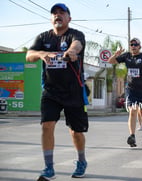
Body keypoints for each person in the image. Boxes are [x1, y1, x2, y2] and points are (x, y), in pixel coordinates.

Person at [26, 3, 88, 180]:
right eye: (54, 13)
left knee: (75, 131)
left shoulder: (75, 34)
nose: (58, 15)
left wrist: (71, 51)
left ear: (69, 18)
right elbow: (29, 55)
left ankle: (82, 161)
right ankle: (49, 168)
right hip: (50, 91)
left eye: (62, 13)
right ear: (51, 18)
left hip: (73, 90)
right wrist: (41, 54)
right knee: (46, 126)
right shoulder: (43, 37)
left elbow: (76, 45)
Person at [108, 38, 142, 147]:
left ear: (140, 46)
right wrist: (115, 54)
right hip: (131, 89)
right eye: (131, 44)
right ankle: (132, 136)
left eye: (135, 44)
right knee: (133, 110)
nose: (133, 46)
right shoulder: (126, 56)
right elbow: (111, 61)